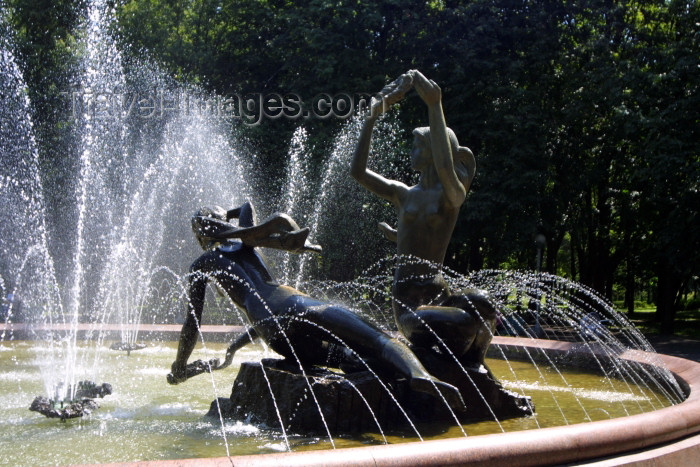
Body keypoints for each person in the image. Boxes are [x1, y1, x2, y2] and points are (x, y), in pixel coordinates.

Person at [167, 201, 464, 410]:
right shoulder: (245, 244)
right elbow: (245, 206)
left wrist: (180, 366)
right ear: (224, 223)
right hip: (291, 304)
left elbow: (192, 325)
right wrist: (226, 217)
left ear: (199, 235)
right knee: (372, 336)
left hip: (275, 335)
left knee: (346, 357)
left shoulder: (202, 264)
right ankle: (419, 375)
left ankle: (396, 382)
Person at [351, 70, 496, 366]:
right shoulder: (403, 194)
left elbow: (446, 167)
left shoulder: (450, 198)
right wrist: (371, 118)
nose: (411, 151)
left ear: (432, 150)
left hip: (439, 292)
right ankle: (459, 370)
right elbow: (358, 172)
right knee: (460, 321)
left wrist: (434, 105)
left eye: (417, 145)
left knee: (483, 304)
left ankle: (476, 369)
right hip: (408, 301)